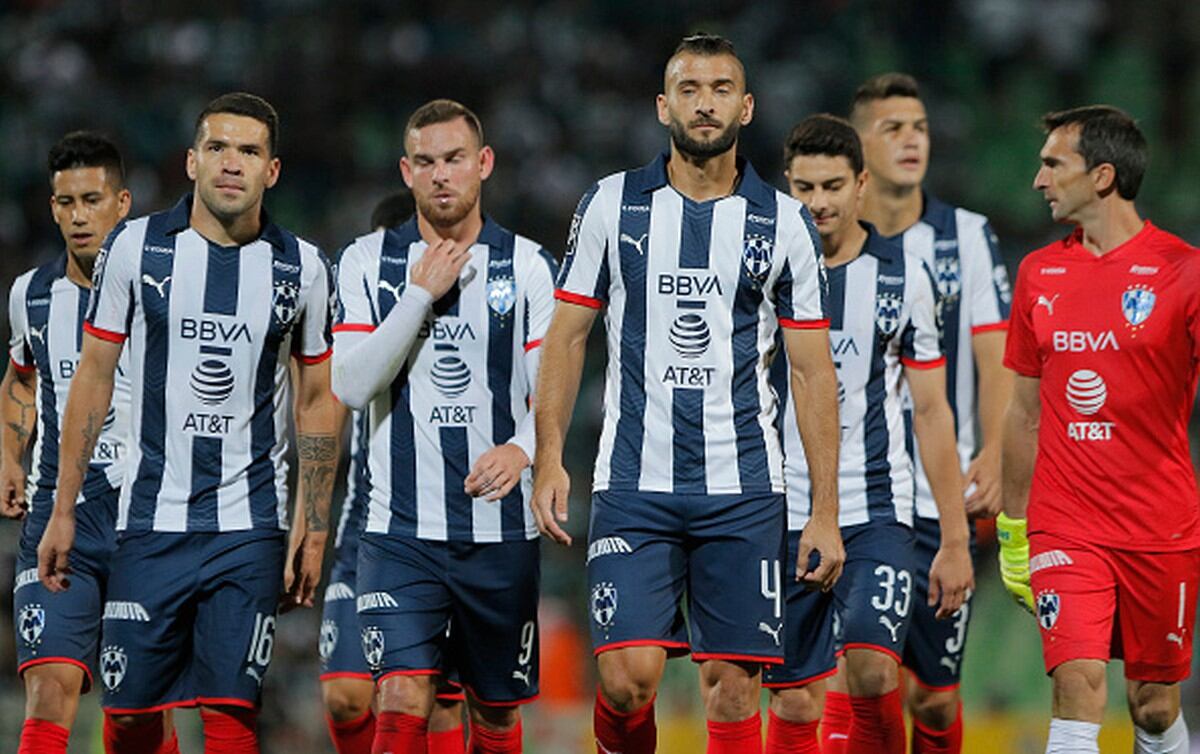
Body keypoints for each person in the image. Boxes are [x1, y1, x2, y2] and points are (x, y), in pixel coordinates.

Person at [533, 34, 843, 754]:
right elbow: (568, 334)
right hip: (634, 482)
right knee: (625, 679)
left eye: (722, 88)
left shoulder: (785, 221)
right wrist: (550, 455)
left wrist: (822, 510)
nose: (706, 103)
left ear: (747, 106)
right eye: (691, 88)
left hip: (744, 490)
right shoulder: (611, 204)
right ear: (662, 105)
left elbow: (812, 372)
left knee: (734, 685)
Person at [37, 92, 338, 753]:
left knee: (231, 715)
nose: (233, 163)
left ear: (273, 171)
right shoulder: (135, 247)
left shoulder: (303, 268)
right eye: (219, 148)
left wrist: (312, 526)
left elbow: (318, 398)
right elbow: (92, 379)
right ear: (193, 161)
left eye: (250, 151)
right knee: (130, 718)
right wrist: (63, 507)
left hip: (249, 525)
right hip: (148, 523)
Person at [332, 99, 556, 754]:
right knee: (401, 694)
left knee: (494, 717)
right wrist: (419, 295)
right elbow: (349, 385)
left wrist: (523, 447)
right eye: (425, 162)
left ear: (483, 164)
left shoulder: (530, 266)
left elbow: (553, 392)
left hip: (499, 535)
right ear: (405, 172)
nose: (441, 175)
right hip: (398, 533)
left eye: (455, 159)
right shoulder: (365, 262)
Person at [763, 114, 972, 754]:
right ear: (788, 187)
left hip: (877, 507)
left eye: (832, 186)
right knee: (796, 699)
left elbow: (933, 412)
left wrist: (956, 538)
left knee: (875, 669)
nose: (818, 203)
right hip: (778, 507)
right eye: (804, 187)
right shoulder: (762, 274)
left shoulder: (903, 276)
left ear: (860, 185)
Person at [1001, 105, 1198, 754]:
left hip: (1160, 525)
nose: (1038, 181)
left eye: (1054, 164)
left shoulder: (1183, 271)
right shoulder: (1038, 275)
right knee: (1078, 683)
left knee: (1152, 705)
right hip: (1066, 522)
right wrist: (1011, 527)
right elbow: (1024, 412)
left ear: (1104, 176)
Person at [849, 72, 1012, 754]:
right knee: (858, 674)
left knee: (934, 699)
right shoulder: (825, 240)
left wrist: (998, 451)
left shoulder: (965, 237)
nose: (912, 139)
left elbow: (996, 352)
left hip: (939, 496)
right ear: (858, 145)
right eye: (893, 128)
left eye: (918, 126)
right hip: (852, 494)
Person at [1, 132, 166, 754]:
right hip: (56, 513)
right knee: (49, 688)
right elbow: (20, 380)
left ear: (121, 204)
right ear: (51, 207)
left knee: (133, 713)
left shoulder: (162, 293)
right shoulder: (31, 295)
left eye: (91, 200)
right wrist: (7, 454)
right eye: (65, 202)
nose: (77, 216)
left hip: (145, 515)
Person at [319, 190, 468, 754]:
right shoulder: (357, 312)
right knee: (345, 695)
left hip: (449, 520)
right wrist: (310, 524)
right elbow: (329, 409)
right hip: (364, 525)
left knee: (437, 700)